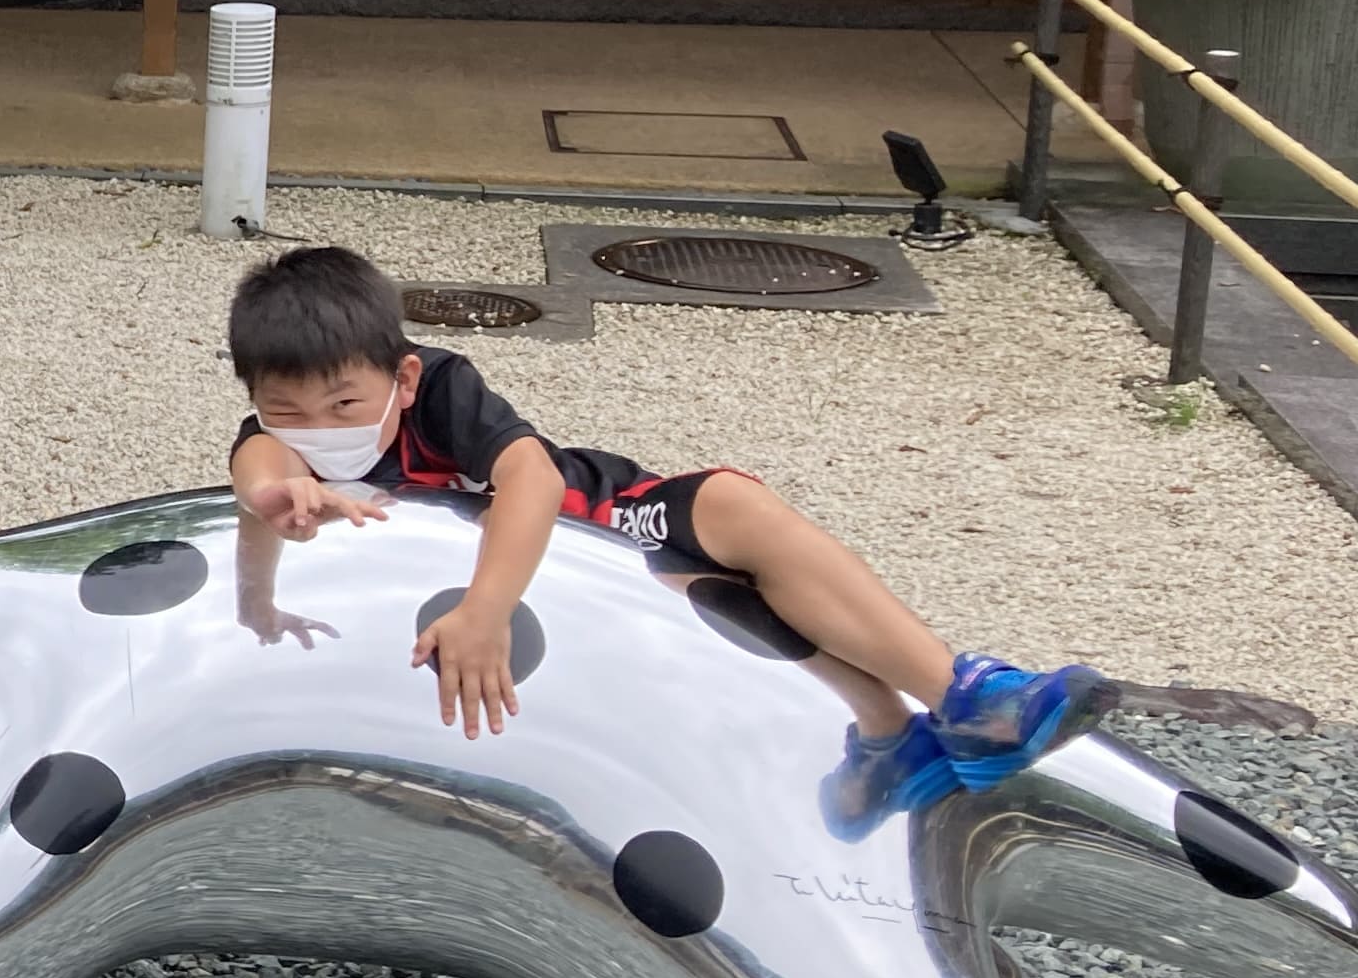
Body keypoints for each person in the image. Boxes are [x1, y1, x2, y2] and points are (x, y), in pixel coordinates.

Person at [223, 244, 1109, 834]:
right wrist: (259, 597)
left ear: (404, 377)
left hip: (597, 515)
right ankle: (886, 738)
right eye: (286, 408)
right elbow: (259, 482)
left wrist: (486, 611)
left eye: (345, 403)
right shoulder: (277, 444)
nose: (320, 427)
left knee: (733, 510)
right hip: (585, 578)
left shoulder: (443, 389)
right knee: (711, 600)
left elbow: (532, 478)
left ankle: (964, 697)